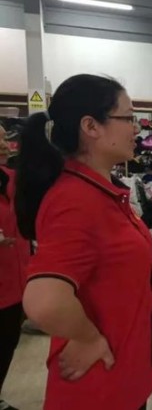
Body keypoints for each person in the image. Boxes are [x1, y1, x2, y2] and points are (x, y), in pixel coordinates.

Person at [15, 74, 152, 410]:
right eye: (128, 117)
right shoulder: (75, 201)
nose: (136, 128)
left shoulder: (99, 190)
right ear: (91, 126)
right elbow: (44, 302)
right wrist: (88, 337)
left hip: (122, 376)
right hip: (99, 389)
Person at [0, 123, 30, 410]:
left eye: (3, 138)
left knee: (7, 342)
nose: (3, 144)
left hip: (15, 281)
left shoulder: (13, 179)